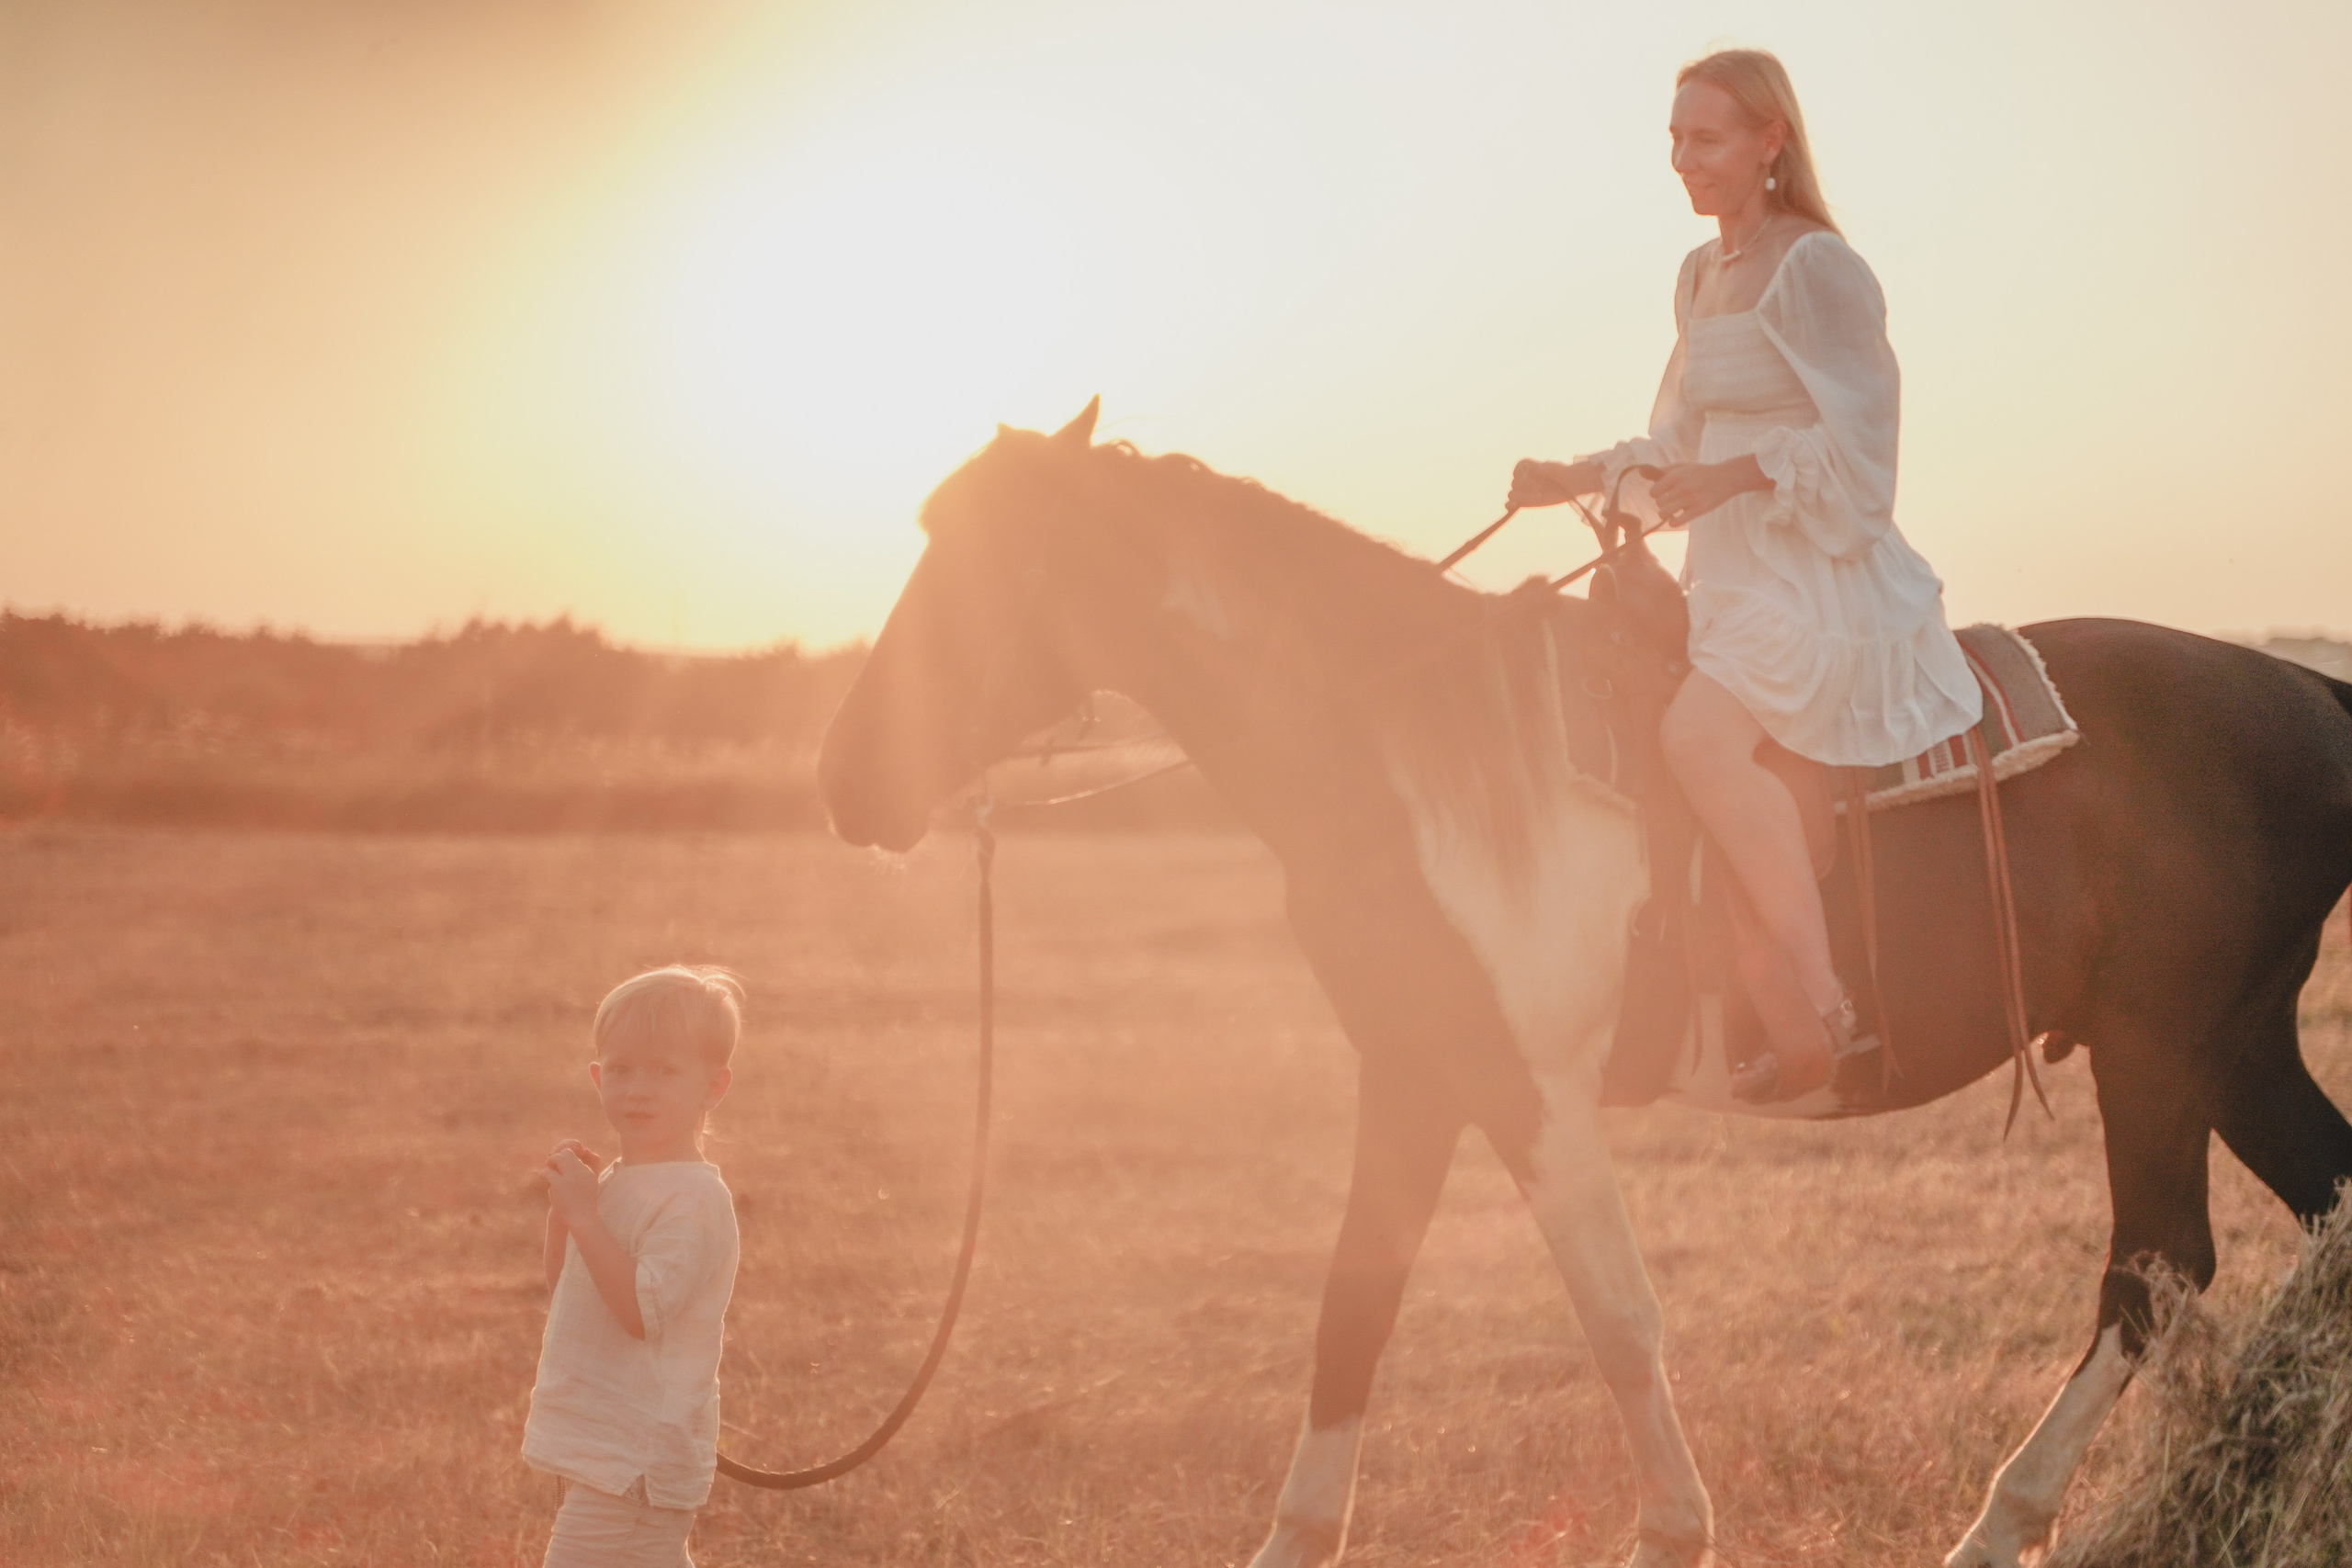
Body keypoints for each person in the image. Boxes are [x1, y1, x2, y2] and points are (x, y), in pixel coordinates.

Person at [1510, 49, 1982, 1101]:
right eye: (1674, 140)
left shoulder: (1817, 267)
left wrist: (1737, 476)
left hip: (1817, 576)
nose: (1684, 161)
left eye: (1706, 139)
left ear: (1771, 141)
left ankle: (1820, 994)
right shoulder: (1697, 275)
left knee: (1694, 735)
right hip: (1729, 577)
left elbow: (1866, 460)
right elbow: (1677, 438)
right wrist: (1576, 475)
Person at [523, 966, 745, 1566]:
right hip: (610, 1453)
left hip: (641, 1459)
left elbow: (636, 1312)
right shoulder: (620, 1182)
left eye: (665, 1070)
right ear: (597, 1077)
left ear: (713, 1086)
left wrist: (588, 1219)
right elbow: (572, 1290)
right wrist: (565, 1215)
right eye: (620, 1069)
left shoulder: (694, 1199)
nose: (638, 1088)